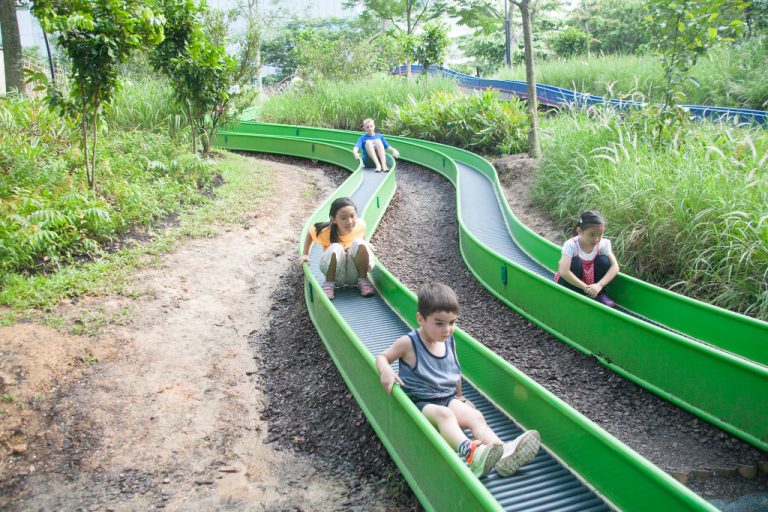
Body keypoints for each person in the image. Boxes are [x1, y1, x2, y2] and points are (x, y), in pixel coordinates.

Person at [376, 282, 541, 478]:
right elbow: (382, 357)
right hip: (420, 403)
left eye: (452, 322)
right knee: (445, 415)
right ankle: (472, 454)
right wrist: (386, 370)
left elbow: (455, 371)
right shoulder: (409, 343)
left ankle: (504, 452)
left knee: (475, 416)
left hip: (446, 397)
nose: (447, 329)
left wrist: (460, 397)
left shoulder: (449, 341)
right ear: (421, 319)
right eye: (439, 323)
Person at [300, 197, 375, 300]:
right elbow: (310, 232)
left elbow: (361, 233)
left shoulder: (360, 224)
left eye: (352, 216)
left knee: (360, 243)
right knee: (336, 247)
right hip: (336, 274)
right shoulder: (325, 232)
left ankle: (363, 280)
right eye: (343, 218)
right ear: (334, 219)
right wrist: (305, 254)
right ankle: (328, 284)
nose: (349, 221)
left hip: (355, 273)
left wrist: (365, 243)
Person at [555, 210, 620, 307]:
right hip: (572, 282)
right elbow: (564, 271)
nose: (596, 239)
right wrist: (585, 288)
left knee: (604, 261)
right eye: (592, 235)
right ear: (580, 231)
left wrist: (599, 285)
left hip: (591, 282)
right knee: (576, 262)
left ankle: (599, 294)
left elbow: (615, 267)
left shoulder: (602, 244)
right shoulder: (571, 245)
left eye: (600, 235)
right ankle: (575, 295)